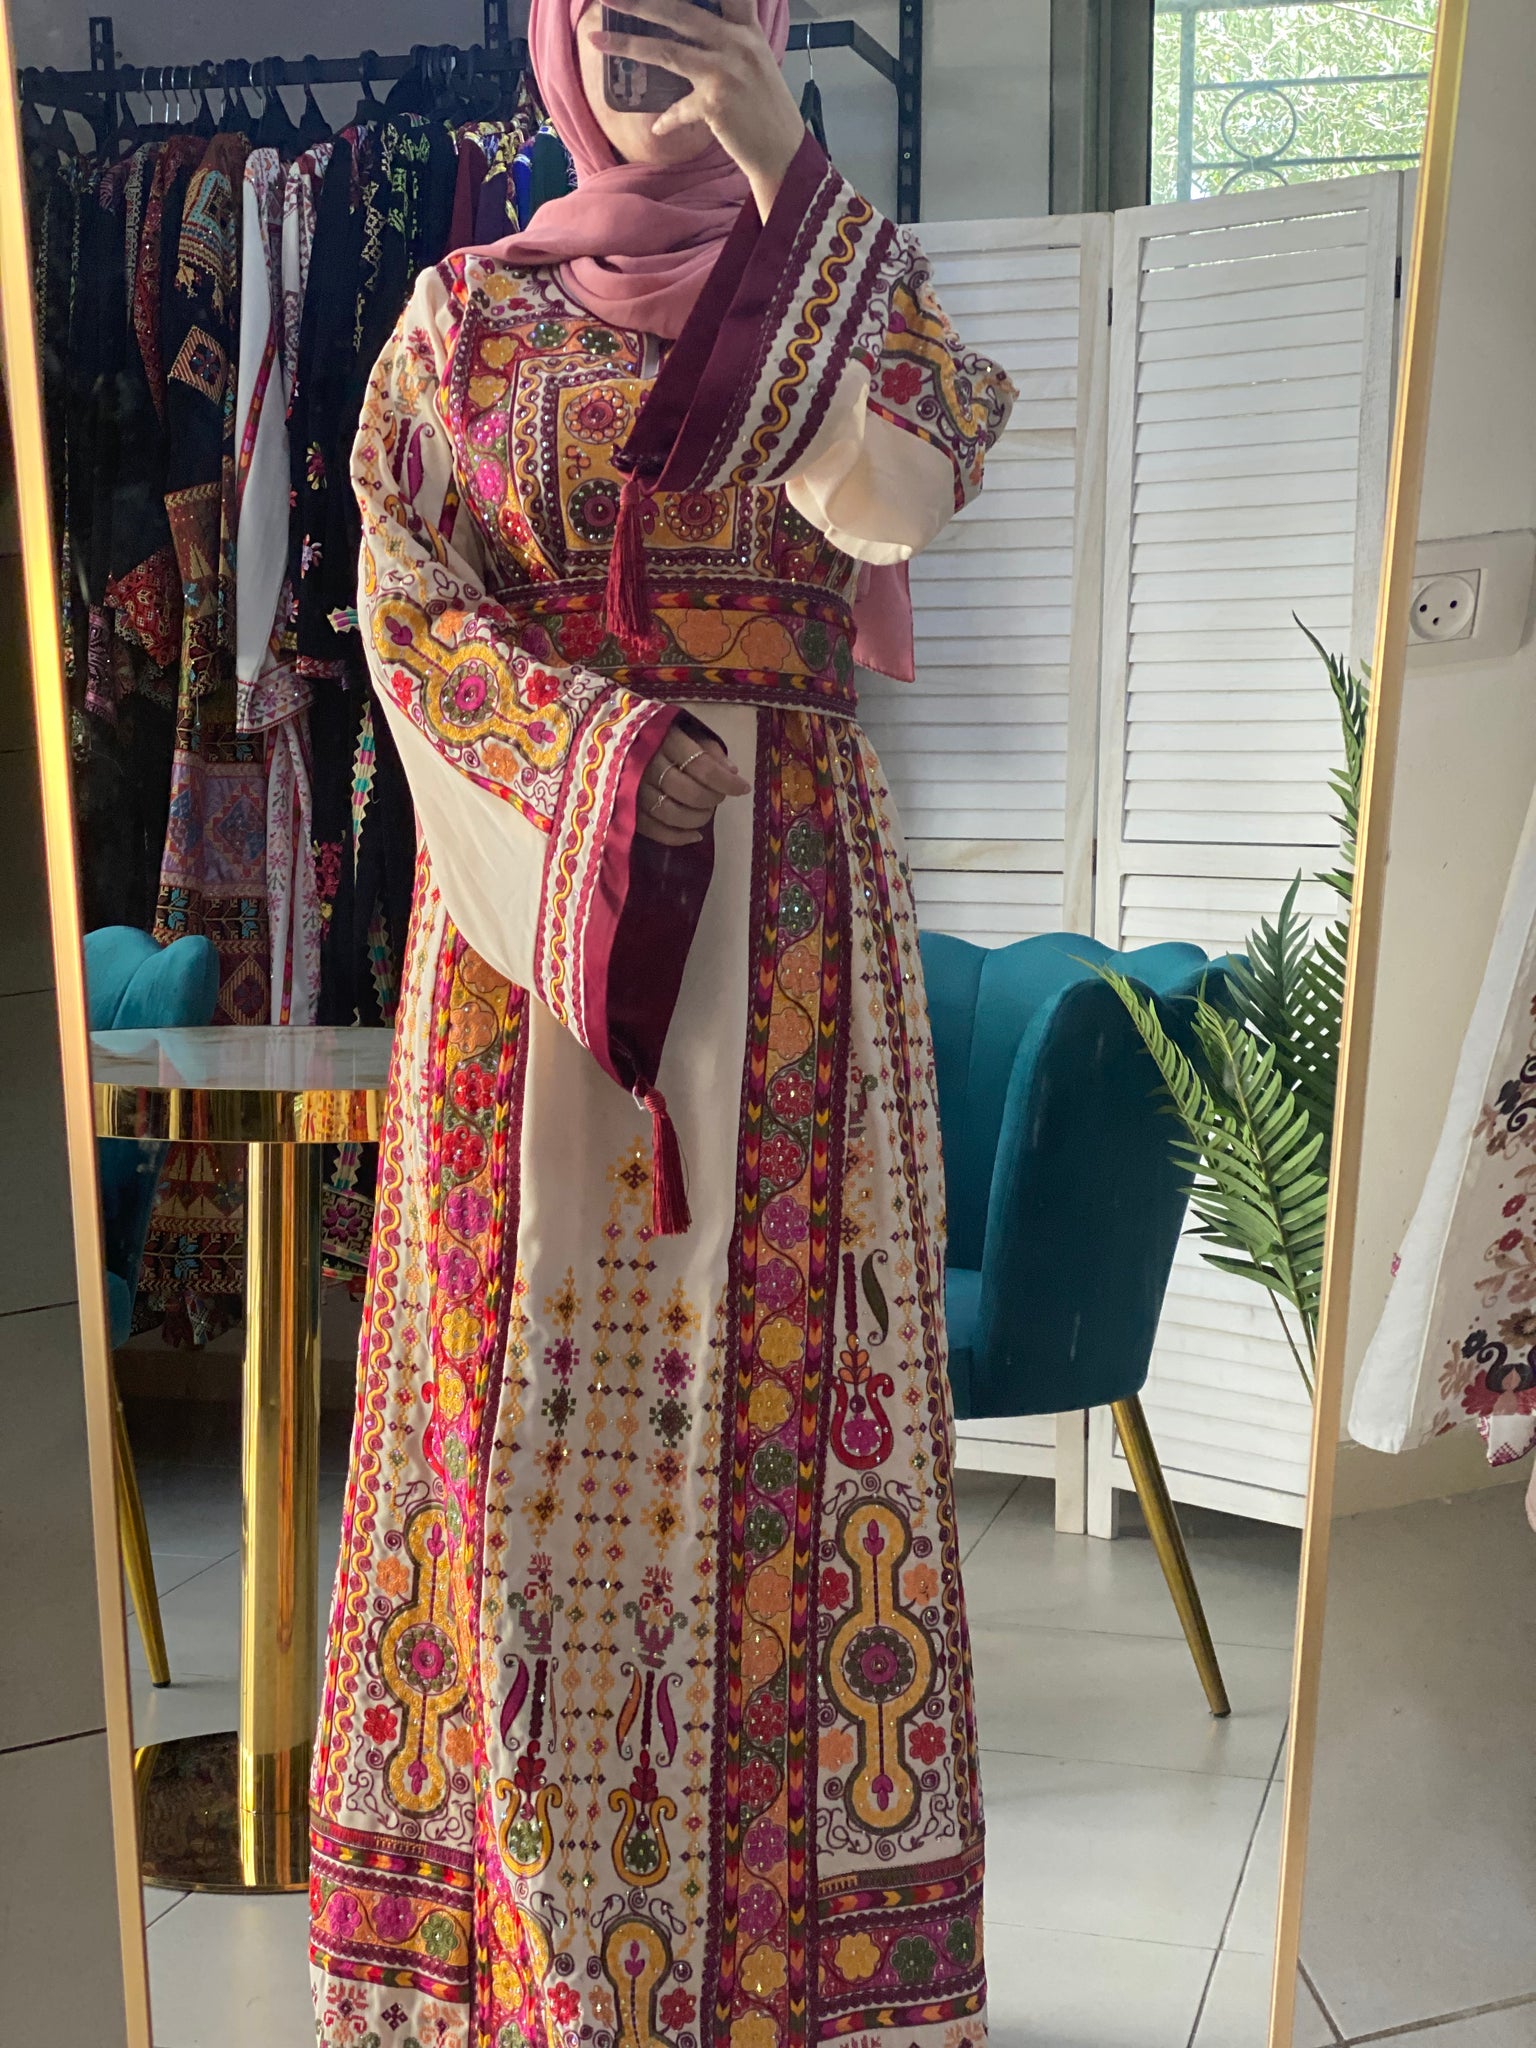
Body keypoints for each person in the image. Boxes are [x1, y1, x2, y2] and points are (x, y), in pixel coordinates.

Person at [309, 5, 1014, 2045]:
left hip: (788, 963)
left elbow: (893, 501)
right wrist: (601, 762)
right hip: (527, 942)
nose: (641, 37)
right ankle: (531, 1978)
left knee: (794, 1436)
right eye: (602, 5)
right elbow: (403, 609)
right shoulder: (458, 321)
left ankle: (784, 1989)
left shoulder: (861, 278)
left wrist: (792, 178)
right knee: (511, 1431)